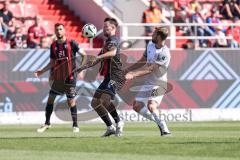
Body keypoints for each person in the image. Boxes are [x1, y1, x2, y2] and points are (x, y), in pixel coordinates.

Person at [76, 17, 125, 137]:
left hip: (115, 76)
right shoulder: (107, 43)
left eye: (106, 27)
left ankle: (119, 122)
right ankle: (110, 127)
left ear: (113, 28)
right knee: (95, 102)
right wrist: (82, 68)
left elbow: (113, 53)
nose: (103, 29)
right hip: (108, 77)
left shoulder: (113, 40)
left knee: (104, 99)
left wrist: (98, 57)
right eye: (103, 27)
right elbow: (96, 60)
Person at [34, 23, 87, 133]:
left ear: (64, 31)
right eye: (56, 29)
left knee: (71, 101)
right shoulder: (53, 46)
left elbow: (84, 55)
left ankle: (75, 125)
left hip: (70, 77)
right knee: (50, 99)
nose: (58, 31)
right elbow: (52, 63)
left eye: (60, 29)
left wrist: (82, 69)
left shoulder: (72, 43)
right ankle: (47, 123)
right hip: (58, 78)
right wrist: (42, 71)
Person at [124, 27, 171, 136]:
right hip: (149, 82)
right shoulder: (150, 45)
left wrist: (133, 74)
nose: (151, 35)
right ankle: (160, 122)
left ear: (159, 36)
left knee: (151, 105)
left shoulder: (165, 53)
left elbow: (150, 69)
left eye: (154, 34)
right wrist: (128, 69)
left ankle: (164, 129)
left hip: (160, 83)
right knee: (136, 106)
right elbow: (142, 61)